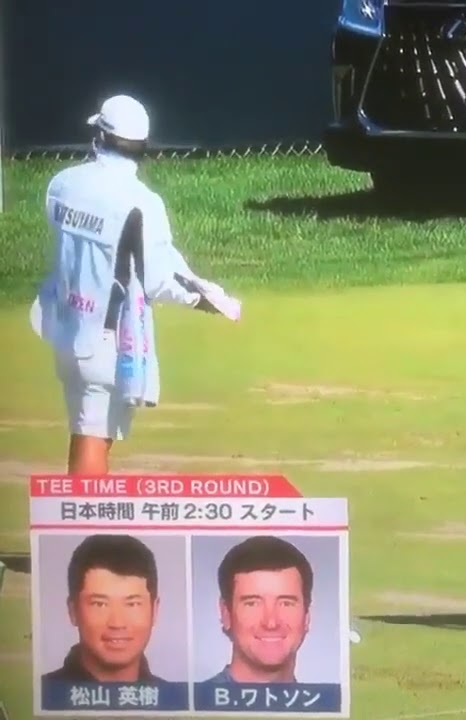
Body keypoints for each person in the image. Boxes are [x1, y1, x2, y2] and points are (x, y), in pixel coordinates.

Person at [29, 94, 221, 476]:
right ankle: (85, 515)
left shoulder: (61, 184)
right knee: (93, 434)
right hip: (107, 337)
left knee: (85, 427)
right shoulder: (142, 201)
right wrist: (204, 299)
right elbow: (158, 278)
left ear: (100, 137)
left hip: (66, 323)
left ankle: (80, 511)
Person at [43, 534, 165, 683]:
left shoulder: (171, 695)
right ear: (73, 610)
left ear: (155, 610)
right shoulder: (44, 691)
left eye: (132, 604)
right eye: (100, 604)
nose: (117, 623)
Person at [204, 536, 313, 683]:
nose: (271, 623)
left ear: (307, 616)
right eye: (252, 604)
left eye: (286, 603)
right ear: (225, 614)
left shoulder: (327, 698)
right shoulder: (195, 696)